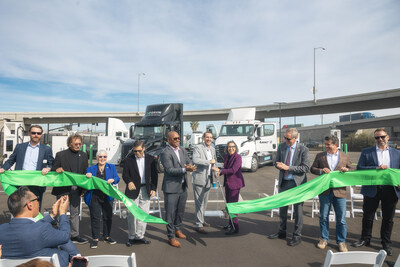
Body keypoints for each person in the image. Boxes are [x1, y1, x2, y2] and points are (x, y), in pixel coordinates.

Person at [0, 187, 80, 267]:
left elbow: (31, 227)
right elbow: (65, 235)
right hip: (47, 263)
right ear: (30, 205)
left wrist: (52, 215)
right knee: (64, 242)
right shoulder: (42, 229)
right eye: (37, 199)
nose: (38, 202)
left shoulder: (2, 230)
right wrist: (62, 213)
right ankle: (79, 261)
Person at [351, 128, 400, 256]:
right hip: (371, 188)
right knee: (368, 216)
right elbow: (360, 168)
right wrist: (376, 168)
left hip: (390, 189)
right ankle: (365, 239)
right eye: (377, 138)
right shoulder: (367, 152)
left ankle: (386, 243)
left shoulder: (397, 153)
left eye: (382, 137)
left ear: (388, 137)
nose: (380, 140)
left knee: (388, 219)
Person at [310, 135, 353, 252]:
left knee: (341, 219)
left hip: (340, 191)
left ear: (336, 145)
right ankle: (324, 238)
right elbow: (312, 168)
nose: (326, 146)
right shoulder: (320, 156)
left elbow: (353, 170)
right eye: (325, 144)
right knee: (323, 217)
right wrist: (320, 171)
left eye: (328, 144)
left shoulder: (344, 156)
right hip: (324, 191)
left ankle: (341, 241)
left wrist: (347, 170)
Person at [268, 128, 309, 246]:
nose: (286, 140)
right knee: (282, 210)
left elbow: (306, 168)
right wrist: (279, 165)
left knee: (298, 211)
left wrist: (288, 168)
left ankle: (297, 236)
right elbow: (276, 162)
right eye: (285, 138)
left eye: (288, 139)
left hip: (297, 184)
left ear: (295, 139)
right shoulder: (282, 147)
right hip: (284, 182)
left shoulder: (303, 150)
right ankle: (281, 232)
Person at [0, 125, 54, 210]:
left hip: (37, 183)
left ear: (41, 134)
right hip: (20, 182)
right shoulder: (20, 147)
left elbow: (52, 164)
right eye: (33, 133)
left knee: (35, 207)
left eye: (38, 133)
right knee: (19, 207)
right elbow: (11, 160)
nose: (36, 135)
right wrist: (3, 168)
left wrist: (48, 168)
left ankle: (34, 223)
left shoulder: (46, 149)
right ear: (29, 133)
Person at [51, 134, 89, 245]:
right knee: (61, 211)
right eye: (75, 144)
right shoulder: (60, 155)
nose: (78, 146)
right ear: (69, 144)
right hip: (63, 188)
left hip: (77, 189)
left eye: (79, 144)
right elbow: (54, 168)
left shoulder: (83, 155)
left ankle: (75, 235)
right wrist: (57, 169)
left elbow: (84, 172)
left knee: (75, 212)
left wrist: (84, 188)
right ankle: (60, 235)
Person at [160, 131, 196, 248]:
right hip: (171, 188)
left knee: (180, 211)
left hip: (182, 187)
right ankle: (171, 236)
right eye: (174, 138)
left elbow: (188, 160)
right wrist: (185, 170)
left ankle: (177, 229)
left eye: (178, 138)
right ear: (168, 140)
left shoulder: (182, 149)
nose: (177, 140)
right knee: (170, 214)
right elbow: (169, 170)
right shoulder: (165, 152)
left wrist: (190, 165)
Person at [123, 140, 158, 246]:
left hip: (145, 189)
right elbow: (125, 174)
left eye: (139, 151)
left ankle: (140, 236)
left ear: (144, 149)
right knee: (132, 215)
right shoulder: (129, 160)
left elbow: (154, 176)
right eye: (135, 151)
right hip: (132, 190)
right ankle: (131, 237)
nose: (137, 153)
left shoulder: (151, 159)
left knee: (143, 214)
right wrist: (129, 181)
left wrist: (153, 188)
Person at [84, 150, 120, 249]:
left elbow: (117, 178)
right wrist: (87, 177)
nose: (102, 158)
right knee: (95, 217)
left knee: (108, 217)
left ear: (106, 158)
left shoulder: (111, 167)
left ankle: (107, 236)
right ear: (96, 158)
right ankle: (95, 238)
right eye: (100, 156)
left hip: (107, 196)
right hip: (95, 196)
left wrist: (113, 180)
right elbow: (86, 182)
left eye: (104, 156)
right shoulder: (90, 169)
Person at [214, 140, 245, 235]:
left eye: (233, 147)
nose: (231, 148)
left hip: (235, 185)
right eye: (229, 147)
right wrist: (219, 172)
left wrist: (220, 171)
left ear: (235, 148)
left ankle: (235, 227)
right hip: (228, 183)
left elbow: (233, 170)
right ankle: (230, 223)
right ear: (227, 149)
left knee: (233, 207)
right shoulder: (227, 156)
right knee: (228, 205)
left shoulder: (238, 157)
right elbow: (226, 168)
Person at [191, 131, 216, 234]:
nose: (209, 139)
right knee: (199, 203)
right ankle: (198, 224)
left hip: (209, 179)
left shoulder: (213, 149)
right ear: (203, 138)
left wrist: (215, 170)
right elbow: (195, 160)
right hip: (199, 179)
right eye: (207, 137)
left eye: (210, 137)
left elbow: (214, 162)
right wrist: (209, 162)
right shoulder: (198, 148)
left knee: (205, 202)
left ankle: (201, 220)